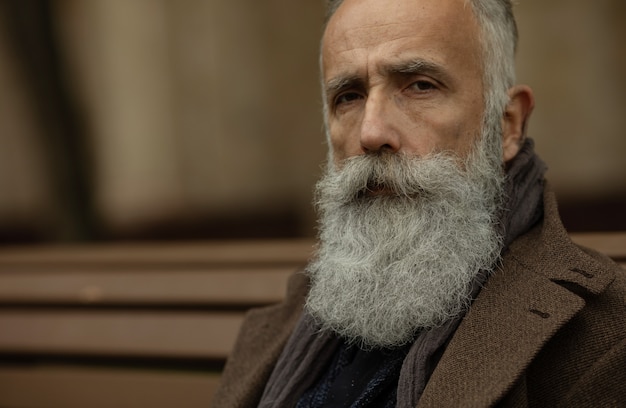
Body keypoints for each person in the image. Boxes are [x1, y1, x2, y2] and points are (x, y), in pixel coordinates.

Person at [212, 0, 626, 406]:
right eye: (349, 96)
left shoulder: (599, 335)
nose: (371, 133)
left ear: (507, 125)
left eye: (420, 86)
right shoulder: (286, 325)